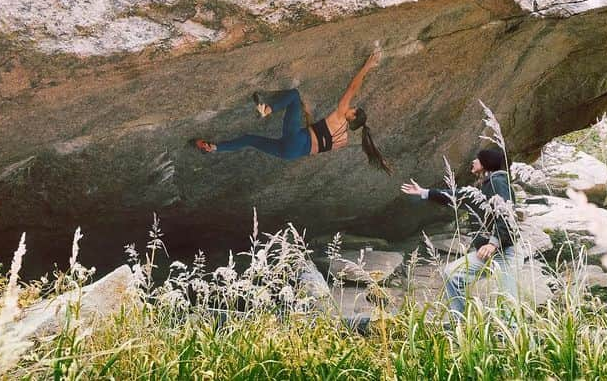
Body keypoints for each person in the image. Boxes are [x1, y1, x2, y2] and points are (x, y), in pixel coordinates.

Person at [193, 48, 392, 175]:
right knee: (249, 139)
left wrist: (367, 67)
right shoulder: (343, 141)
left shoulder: (341, 116)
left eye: (353, 108)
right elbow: (317, 144)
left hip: (297, 139)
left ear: (352, 117)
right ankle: (215, 148)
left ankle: (267, 109)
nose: (350, 106)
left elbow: (351, 88)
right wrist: (307, 118)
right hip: (291, 153)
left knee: (295, 95)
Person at [400, 148, 519, 322]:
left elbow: (506, 215)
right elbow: (455, 196)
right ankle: (461, 323)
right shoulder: (484, 185)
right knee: (451, 273)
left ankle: (516, 343)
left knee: (508, 305)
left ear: (486, 163)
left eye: (477, 159)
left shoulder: (498, 182)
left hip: (504, 253)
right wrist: (424, 192)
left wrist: (493, 243)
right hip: (487, 253)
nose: (473, 162)